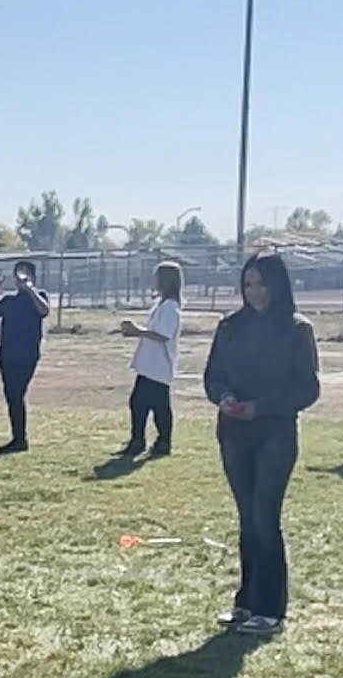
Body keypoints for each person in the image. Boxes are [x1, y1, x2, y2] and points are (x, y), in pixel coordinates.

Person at [202, 250, 320, 637]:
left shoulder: (297, 329)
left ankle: (271, 609)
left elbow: (307, 388)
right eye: (248, 284)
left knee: (265, 518)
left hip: (275, 433)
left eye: (261, 283)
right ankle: (247, 600)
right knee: (247, 519)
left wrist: (262, 408)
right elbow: (213, 375)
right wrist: (224, 397)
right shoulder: (230, 326)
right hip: (234, 433)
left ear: (278, 284)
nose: (254, 292)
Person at [116, 261, 185, 457]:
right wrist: (134, 333)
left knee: (155, 406)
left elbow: (163, 335)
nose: (153, 280)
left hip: (159, 367)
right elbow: (153, 333)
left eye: (156, 277)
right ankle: (140, 440)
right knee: (140, 403)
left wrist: (138, 330)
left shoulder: (171, 308)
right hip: (148, 366)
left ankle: (160, 441)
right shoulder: (160, 305)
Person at [0, 258, 52, 453]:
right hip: (7, 354)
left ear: (33, 277)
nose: (20, 278)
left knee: (16, 393)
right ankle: (19, 438)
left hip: (27, 354)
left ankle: (20, 438)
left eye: (24, 274)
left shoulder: (39, 296)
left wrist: (30, 289)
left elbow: (44, 311)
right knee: (12, 396)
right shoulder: (9, 300)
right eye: (18, 274)